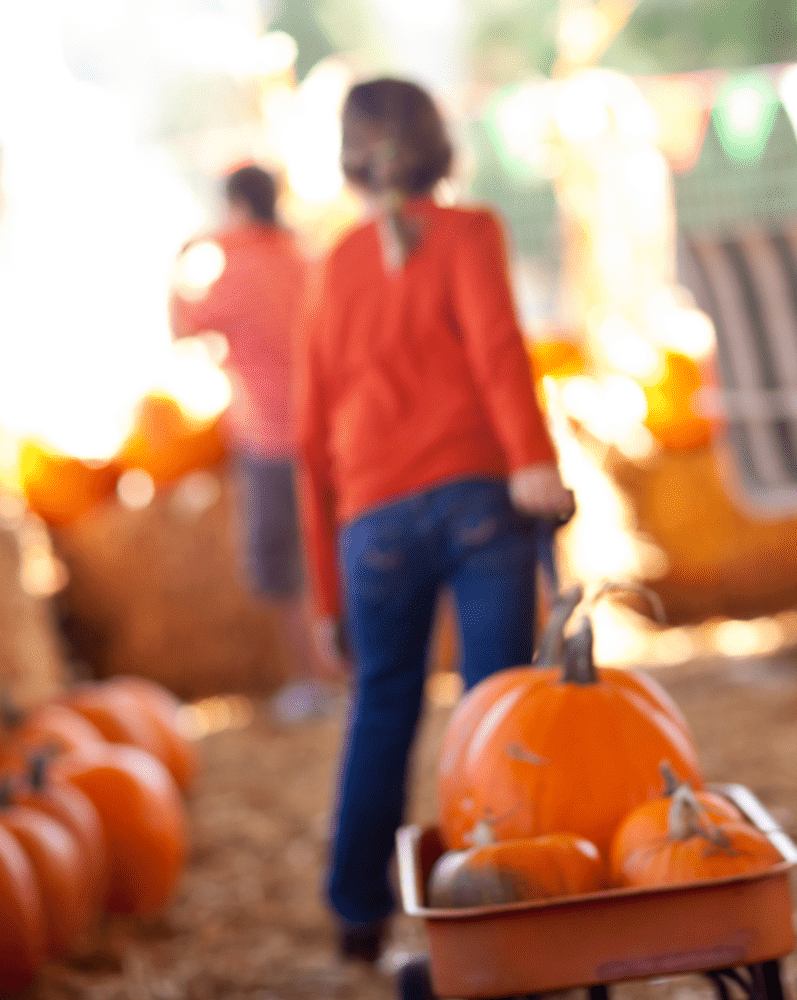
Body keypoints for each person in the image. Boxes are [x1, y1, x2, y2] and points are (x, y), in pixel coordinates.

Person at [295, 77, 573, 962]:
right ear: (438, 146)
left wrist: (325, 594)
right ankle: (493, 907)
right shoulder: (470, 232)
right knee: (492, 707)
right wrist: (533, 461)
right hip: (476, 500)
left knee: (382, 703)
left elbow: (307, 441)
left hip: (370, 521)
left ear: (352, 158)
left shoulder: (332, 270)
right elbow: (497, 347)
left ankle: (356, 912)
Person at [168, 164, 337, 724]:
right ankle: (350, 674)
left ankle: (309, 679)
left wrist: (181, 262)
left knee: (279, 565)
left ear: (236, 206)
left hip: (268, 437)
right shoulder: (303, 259)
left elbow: (183, 330)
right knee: (332, 555)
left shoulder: (234, 269)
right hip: (326, 431)